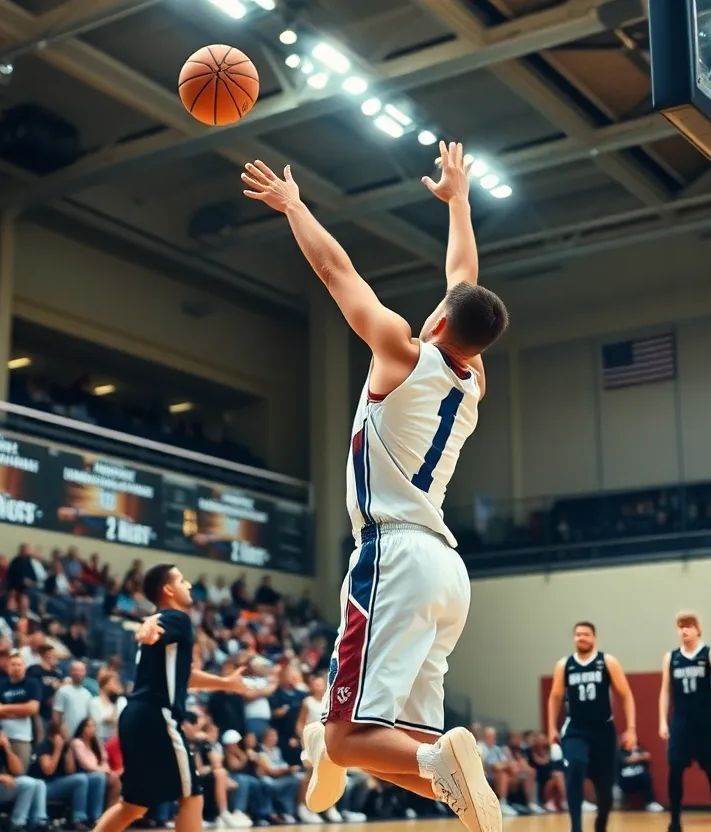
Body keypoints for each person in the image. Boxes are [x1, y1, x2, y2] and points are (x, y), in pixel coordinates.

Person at [241, 143, 509, 832]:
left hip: (395, 554)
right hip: (447, 573)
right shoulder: (474, 380)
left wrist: (294, 205)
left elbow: (336, 270)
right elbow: (464, 279)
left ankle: (339, 747)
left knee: (348, 739)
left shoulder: (401, 349)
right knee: (401, 743)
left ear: (442, 322)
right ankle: (450, 781)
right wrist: (459, 203)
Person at [88, 565, 247, 832]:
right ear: (168, 589)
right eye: (182, 580)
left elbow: (184, 675)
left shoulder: (167, 626)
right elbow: (154, 624)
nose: (188, 585)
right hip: (157, 715)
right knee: (192, 794)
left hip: (135, 716)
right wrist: (147, 626)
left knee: (134, 805)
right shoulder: (177, 618)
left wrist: (225, 683)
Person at [546, 622, 637, 832]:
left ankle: (600, 825)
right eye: (578, 635)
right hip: (576, 730)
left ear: (594, 638)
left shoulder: (607, 662)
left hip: (603, 731)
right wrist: (551, 728)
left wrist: (631, 729)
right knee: (576, 766)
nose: (581, 638)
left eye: (586, 634)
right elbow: (555, 696)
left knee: (605, 792)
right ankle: (576, 827)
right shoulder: (565, 665)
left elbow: (626, 694)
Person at [659, 612, 711, 832]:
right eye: (680, 627)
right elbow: (665, 692)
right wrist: (663, 722)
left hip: (706, 719)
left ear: (698, 630)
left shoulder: (710, 654)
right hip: (681, 720)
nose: (684, 631)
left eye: (689, 626)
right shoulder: (670, 658)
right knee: (674, 769)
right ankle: (675, 822)